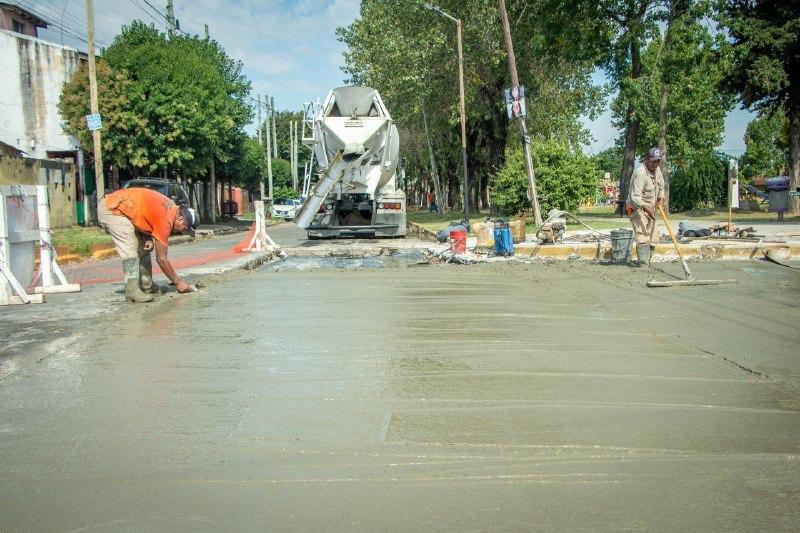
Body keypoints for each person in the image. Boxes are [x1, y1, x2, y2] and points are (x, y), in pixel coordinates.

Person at [99, 187, 199, 302]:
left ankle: (147, 284)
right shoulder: (167, 219)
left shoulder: (170, 209)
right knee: (130, 247)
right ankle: (131, 291)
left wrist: (146, 237)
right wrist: (179, 282)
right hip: (112, 208)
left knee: (145, 246)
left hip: (123, 208)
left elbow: (145, 216)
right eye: (185, 229)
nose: (183, 233)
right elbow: (161, 259)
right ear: (180, 219)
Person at [626, 147, 665, 267]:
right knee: (643, 236)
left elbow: (661, 186)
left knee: (653, 237)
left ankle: (647, 261)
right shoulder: (640, 173)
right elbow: (635, 197)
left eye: (657, 161)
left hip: (651, 208)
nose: (655, 164)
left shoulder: (657, 170)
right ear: (647, 159)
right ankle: (643, 265)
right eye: (653, 161)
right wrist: (646, 208)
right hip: (637, 208)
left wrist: (661, 198)